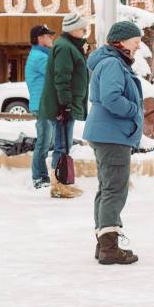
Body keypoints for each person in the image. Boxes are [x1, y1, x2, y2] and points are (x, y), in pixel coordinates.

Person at [83, 21, 143, 265]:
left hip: (107, 133)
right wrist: (134, 109)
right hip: (111, 135)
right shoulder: (112, 64)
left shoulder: (112, 62)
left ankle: (104, 241)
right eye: (136, 40)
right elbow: (111, 97)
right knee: (114, 189)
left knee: (107, 188)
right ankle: (109, 248)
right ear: (122, 41)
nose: (139, 45)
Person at [39, 12, 90, 199]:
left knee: (65, 144)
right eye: (83, 28)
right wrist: (65, 105)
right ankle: (58, 185)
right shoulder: (64, 47)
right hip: (61, 106)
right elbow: (62, 78)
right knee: (62, 145)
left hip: (65, 104)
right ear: (73, 29)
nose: (85, 32)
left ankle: (61, 182)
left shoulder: (70, 46)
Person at [24, 24, 56, 189]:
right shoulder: (39, 56)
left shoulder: (43, 54)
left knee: (48, 140)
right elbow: (56, 72)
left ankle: (42, 176)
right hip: (43, 105)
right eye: (48, 36)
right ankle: (39, 177)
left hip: (45, 104)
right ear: (40, 39)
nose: (52, 38)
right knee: (44, 142)